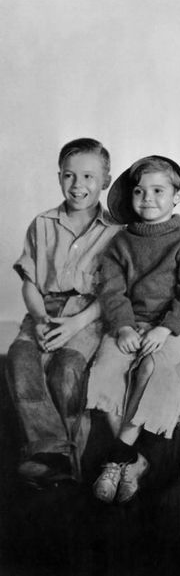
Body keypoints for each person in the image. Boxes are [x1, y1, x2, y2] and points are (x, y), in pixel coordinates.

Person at [86, 155, 180, 503]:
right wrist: (122, 328)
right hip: (130, 323)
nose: (147, 198)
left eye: (157, 190)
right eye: (139, 191)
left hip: (173, 325)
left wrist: (165, 329)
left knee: (151, 367)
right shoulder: (121, 242)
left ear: (177, 196)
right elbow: (111, 289)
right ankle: (132, 460)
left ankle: (117, 453)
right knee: (105, 369)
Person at [5, 138, 122, 487]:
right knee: (21, 357)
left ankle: (72, 461)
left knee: (67, 369)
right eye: (69, 176)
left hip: (89, 313)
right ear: (59, 178)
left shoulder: (116, 231)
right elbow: (29, 282)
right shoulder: (42, 223)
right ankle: (50, 451)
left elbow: (114, 293)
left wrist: (76, 324)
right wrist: (40, 320)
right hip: (45, 307)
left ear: (105, 180)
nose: (78, 185)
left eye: (88, 176)